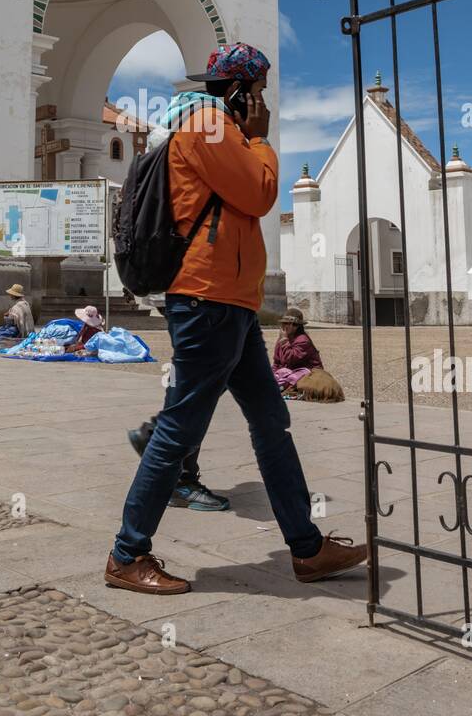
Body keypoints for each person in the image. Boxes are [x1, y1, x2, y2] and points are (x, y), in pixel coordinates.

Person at [104, 42, 368, 595]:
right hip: (207, 301)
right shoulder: (211, 126)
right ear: (238, 90)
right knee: (178, 429)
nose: (263, 102)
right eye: (258, 91)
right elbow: (261, 191)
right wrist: (262, 138)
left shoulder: (218, 126)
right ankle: (127, 554)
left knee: (271, 421)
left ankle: (306, 548)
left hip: (233, 304)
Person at [273, 307, 324, 398]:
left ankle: (280, 387)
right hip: (288, 371)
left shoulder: (302, 340)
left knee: (292, 377)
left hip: (307, 372)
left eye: (289, 324)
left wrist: (284, 342)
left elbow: (291, 359)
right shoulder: (281, 339)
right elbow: (277, 363)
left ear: (296, 326)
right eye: (284, 323)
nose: (285, 326)